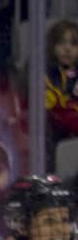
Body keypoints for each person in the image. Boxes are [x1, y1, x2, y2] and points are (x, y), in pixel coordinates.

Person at [43, 18, 78, 172]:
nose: (67, 49)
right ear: (52, 47)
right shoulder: (46, 74)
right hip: (55, 132)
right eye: (61, 43)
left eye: (73, 44)